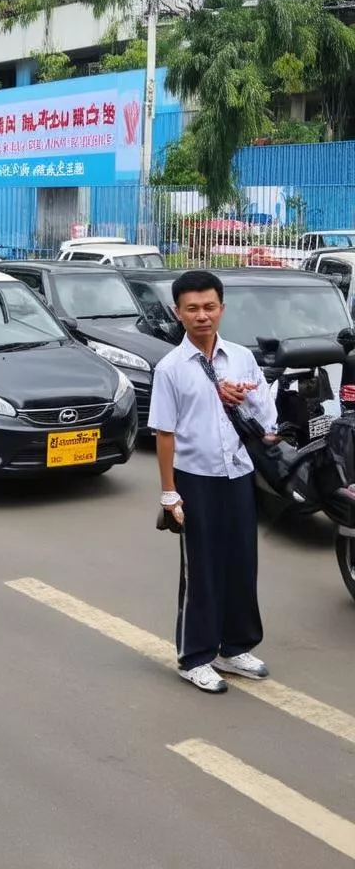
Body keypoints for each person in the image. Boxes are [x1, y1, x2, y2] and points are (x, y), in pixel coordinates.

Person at [148, 270, 278, 694]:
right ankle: (195, 656)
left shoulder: (241, 357)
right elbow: (164, 434)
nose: (202, 316)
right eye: (192, 308)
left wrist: (246, 397)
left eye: (209, 307)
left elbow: (266, 419)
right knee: (201, 568)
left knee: (241, 562)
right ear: (178, 313)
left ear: (222, 308)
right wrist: (170, 493)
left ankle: (235, 647)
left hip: (238, 472)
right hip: (193, 477)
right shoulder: (171, 368)